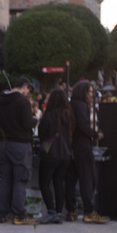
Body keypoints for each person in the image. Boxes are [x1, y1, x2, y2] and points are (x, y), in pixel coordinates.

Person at [0, 78, 38, 225]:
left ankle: (1, 213)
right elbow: (27, 124)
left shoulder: (0, 101)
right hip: (20, 144)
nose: (29, 93)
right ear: (25, 87)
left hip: (4, 143)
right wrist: (35, 119)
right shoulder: (22, 102)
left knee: (5, 179)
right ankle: (19, 214)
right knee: (20, 178)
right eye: (29, 90)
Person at [65, 81, 109, 224]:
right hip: (82, 146)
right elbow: (83, 126)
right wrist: (96, 134)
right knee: (87, 179)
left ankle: (71, 210)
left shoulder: (71, 104)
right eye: (90, 92)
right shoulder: (82, 106)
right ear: (83, 92)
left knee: (71, 180)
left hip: (71, 146)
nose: (92, 95)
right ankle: (89, 211)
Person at [37, 88, 73, 224]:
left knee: (44, 183)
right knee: (59, 182)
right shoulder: (69, 115)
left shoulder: (49, 115)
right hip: (66, 154)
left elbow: (41, 134)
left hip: (51, 153)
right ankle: (58, 212)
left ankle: (51, 210)